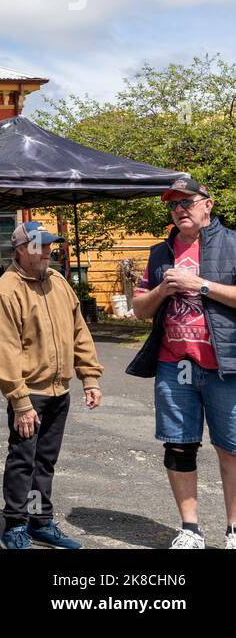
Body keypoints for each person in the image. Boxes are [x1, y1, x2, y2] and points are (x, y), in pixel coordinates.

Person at [127, 178, 236, 550]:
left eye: (187, 202)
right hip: (176, 366)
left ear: (208, 204)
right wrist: (163, 289)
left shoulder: (232, 244)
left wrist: (199, 284)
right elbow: (140, 310)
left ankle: (234, 529)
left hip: (225, 365)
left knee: (231, 447)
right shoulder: (160, 252)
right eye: (173, 205)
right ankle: (190, 529)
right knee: (178, 446)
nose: (179, 210)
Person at [0, 221, 103, 549]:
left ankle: (39, 521)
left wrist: (90, 377)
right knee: (23, 459)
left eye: (50, 245)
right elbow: (6, 351)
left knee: (45, 461)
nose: (49, 252)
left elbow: (78, 331)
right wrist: (20, 402)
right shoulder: (6, 290)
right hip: (31, 394)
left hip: (60, 391)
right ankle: (14, 526)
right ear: (22, 250)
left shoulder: (58, 282)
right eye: (41, 246)